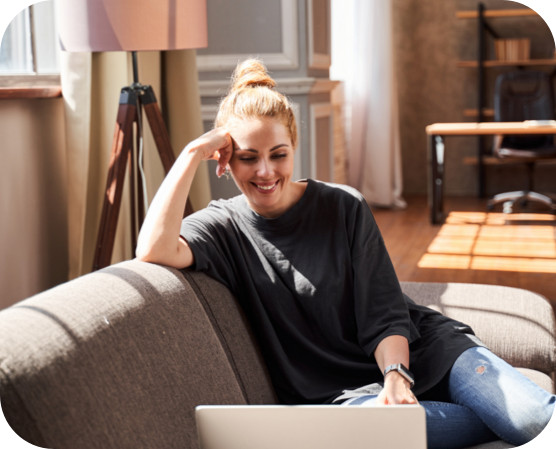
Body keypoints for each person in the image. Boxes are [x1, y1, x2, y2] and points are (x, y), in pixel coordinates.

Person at [136, 59, 555, 449]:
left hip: (428, 354)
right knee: (388, 433)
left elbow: (384, 309)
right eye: (248, 158)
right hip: (347, 398)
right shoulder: (221, 228)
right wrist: (192, 153)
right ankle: (497, 408)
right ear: (225, 160)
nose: (265, 172)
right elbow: (152, 248)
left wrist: (396, 374)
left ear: (293, 147)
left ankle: (509, 406)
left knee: (532, 420)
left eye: (277, 155)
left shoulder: (342, 205)